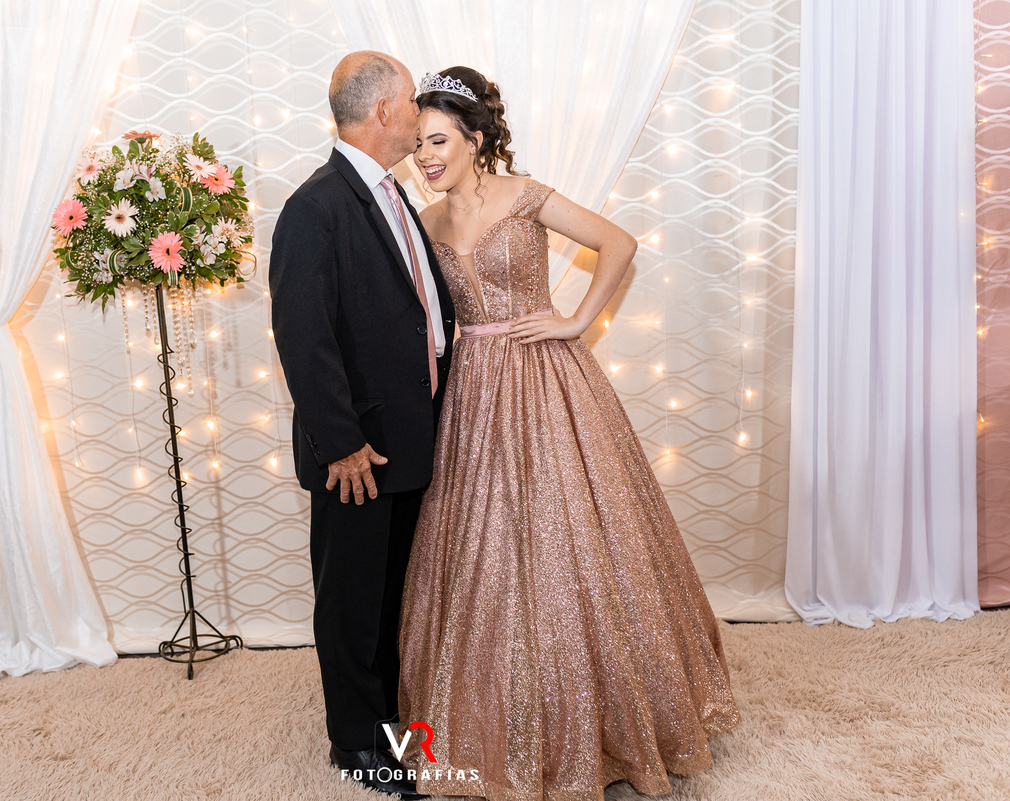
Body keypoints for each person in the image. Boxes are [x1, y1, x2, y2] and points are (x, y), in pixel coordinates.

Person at [397, 66, 741, 799]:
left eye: (438, 140)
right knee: (483, 548)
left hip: (546, 377)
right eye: (418, 143)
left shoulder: (525, 195)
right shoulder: (423, 224)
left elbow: (618, 242)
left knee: (575, 533)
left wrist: (578, 319)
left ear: (475, 139)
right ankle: (494, 719)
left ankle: (610, 718)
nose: (425, 156)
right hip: (472, 392)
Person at [268, 51, 455, 800]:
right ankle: (357, 745)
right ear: (383, 112)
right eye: (411, 102)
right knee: (351, 601)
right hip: (360, 452)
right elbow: (302, 337)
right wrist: (341, 443)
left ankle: (386, 721)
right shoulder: (315, 207)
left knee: (387, 597)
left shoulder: (388, 190)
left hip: (403, 439)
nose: (419, 115)